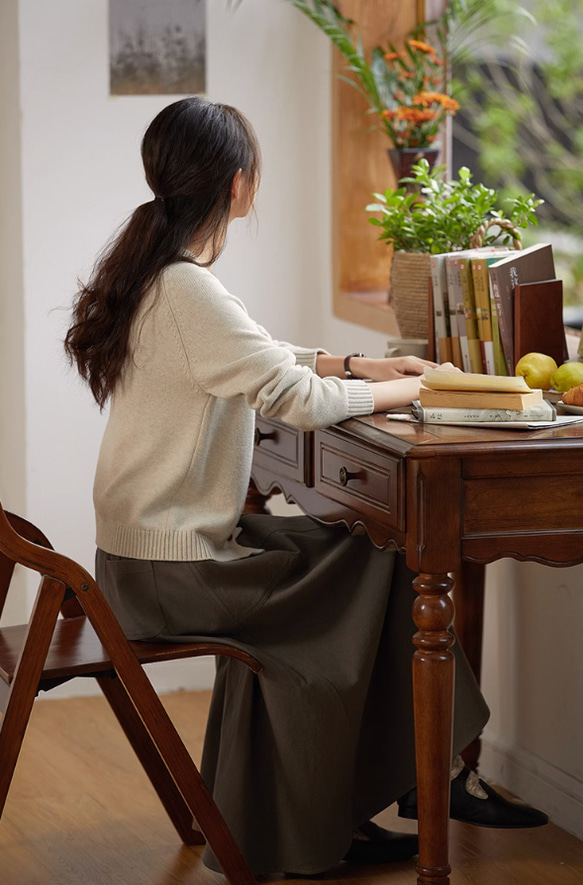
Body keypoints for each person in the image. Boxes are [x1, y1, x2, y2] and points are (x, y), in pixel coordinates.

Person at [64, 96, 547, 877]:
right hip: (175, 574)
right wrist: (417, 388)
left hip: (147, 556)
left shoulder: (163, 275)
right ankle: (394, 792)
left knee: (376, 550)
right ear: (239, 184)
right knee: (384, 562)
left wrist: (359, 364)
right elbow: (296, 399)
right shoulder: (188, 288)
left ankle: (339, 803)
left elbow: (261, 354)